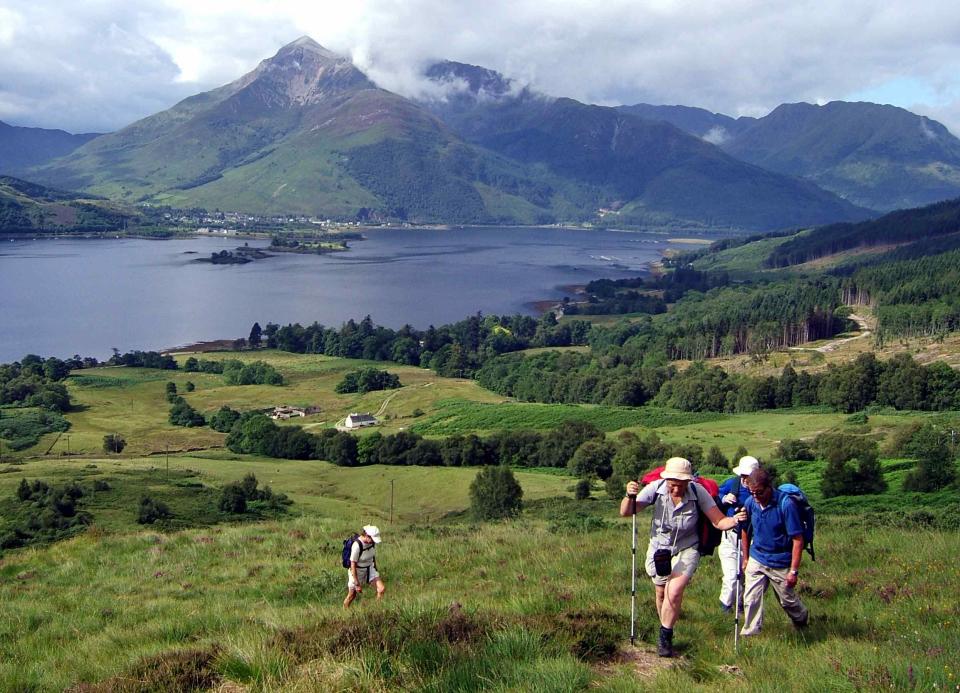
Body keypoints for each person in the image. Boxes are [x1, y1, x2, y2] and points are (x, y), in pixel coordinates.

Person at [621, 457, 747, 657]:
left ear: (689, 481)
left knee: (675, 589)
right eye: (672, 485)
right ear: (667, 480)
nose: (676, 489)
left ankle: (665, 638)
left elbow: (718, 521)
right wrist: (629, 496)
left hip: (688, 547)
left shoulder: (698, 492)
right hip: (659, 548)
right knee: (661, 592)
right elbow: (627, 511)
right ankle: (665, 627)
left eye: (680, 485)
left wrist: (734, 520)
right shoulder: (656, 488)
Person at [739, 468, 809, 636]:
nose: (756, 497)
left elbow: (797, 539)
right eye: (752, 493)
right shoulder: (751, 502)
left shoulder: (786, 505)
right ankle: (751, 634)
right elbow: (745, 531)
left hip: (780, 560)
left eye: (759, 493)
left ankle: (801, 619)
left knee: (787, 601)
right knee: (751, 599)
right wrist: (746, 558)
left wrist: (793, 571)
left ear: (769, 487)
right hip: (757, 557)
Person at [717, 455, 760, 612]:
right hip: (730, 536)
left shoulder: (759, 489)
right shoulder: (732, 484)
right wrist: (724, 498)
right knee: (731, 576)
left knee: (743, 575)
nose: (744, 479)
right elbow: (716, 496)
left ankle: (739, 606)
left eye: (747, 475)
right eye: (742, 475)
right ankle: (726, 606)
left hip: (752, 538)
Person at [343, 525, 386, 608]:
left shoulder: (372, 543)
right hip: (356, 571)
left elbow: (372, 557)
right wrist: (356, 583)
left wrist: (375, 569)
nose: (373, 542)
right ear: (367, 535)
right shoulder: (357, 546)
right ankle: (344, 611)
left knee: (381, 589)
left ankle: (375, 610)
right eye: (372, 539)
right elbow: (353, 565)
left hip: (370, 568)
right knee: (352, 595)